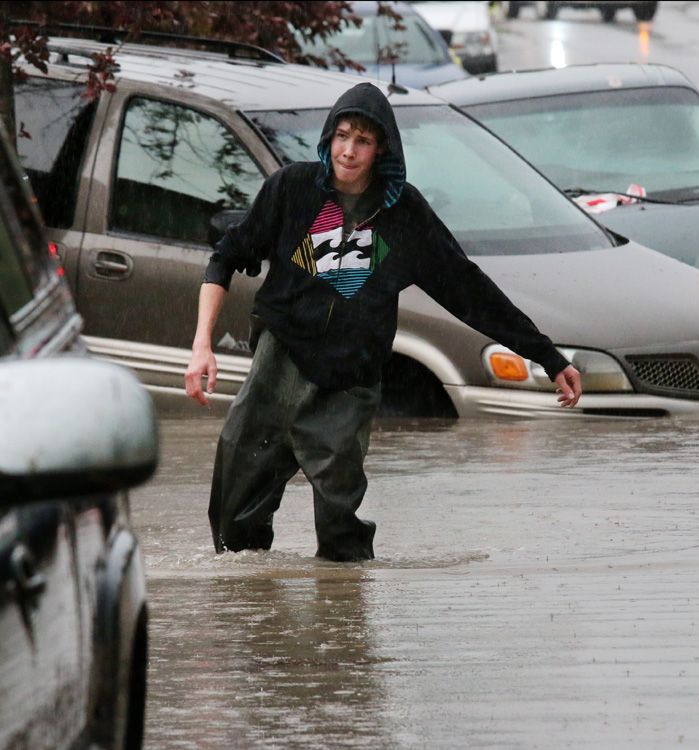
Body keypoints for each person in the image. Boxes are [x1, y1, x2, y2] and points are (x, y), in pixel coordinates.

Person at [184, 82, 582, 562]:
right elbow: (225, 258)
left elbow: (471, 291)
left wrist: (548, 356)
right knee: (233, 521)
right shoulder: (293, 189)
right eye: (342, 136)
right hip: (278, 365)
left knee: (340, 532)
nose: (348, 151)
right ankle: (250, 607)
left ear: (381, 150)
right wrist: (202, 345)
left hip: (349, 381)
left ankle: (347, 606)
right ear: (329, 137)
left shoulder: (403, 215)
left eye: (363, 141)